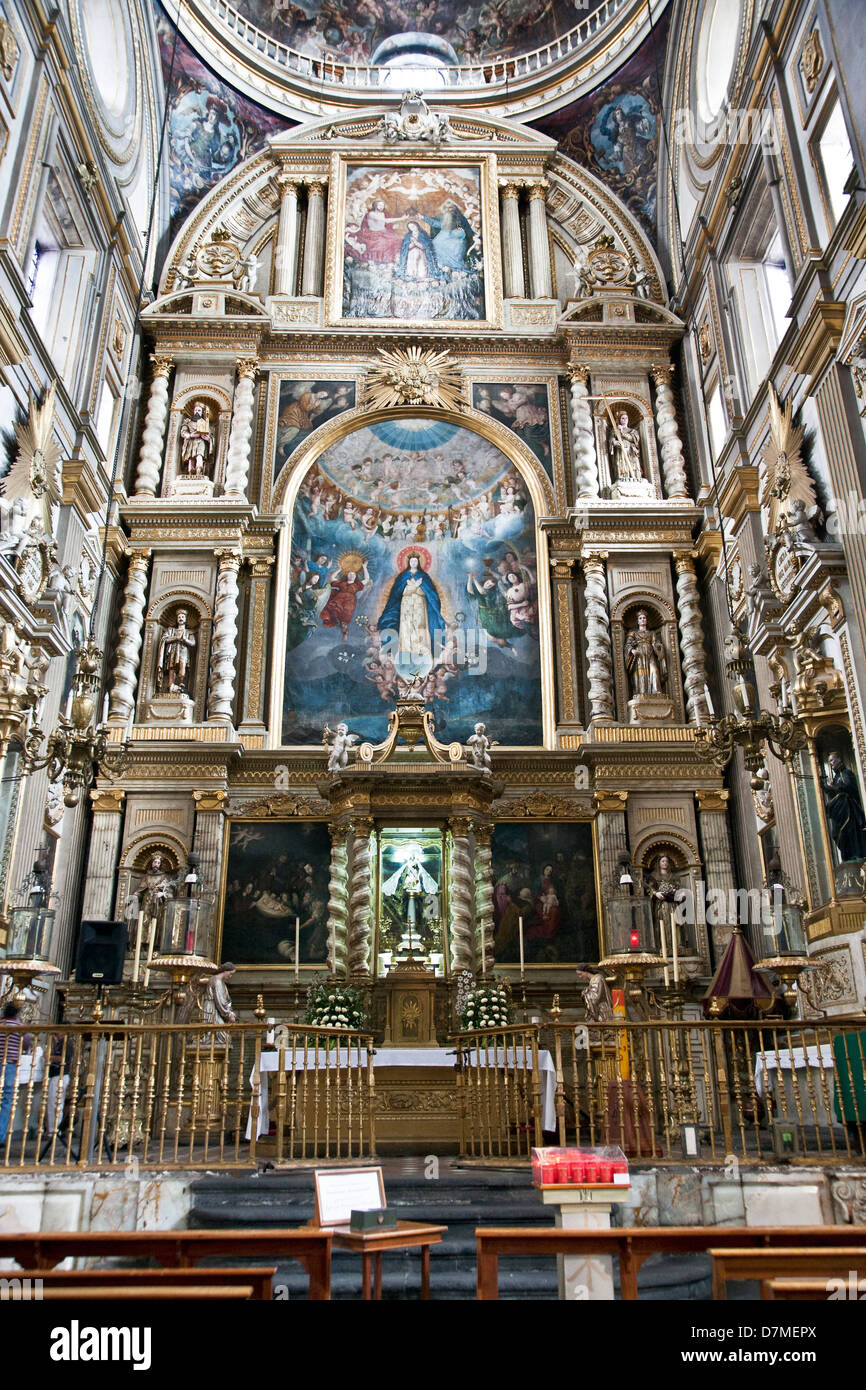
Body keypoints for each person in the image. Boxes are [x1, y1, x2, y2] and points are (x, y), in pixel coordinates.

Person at [378, 552, 444, 666]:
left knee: (420, 626)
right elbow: (396, 594)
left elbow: (431, 594)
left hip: (419, 604)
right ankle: (406, 653)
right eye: (412, 561)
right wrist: (412, 587)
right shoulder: (402, 577)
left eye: (415, 561)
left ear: (419, 563)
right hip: (406, 604)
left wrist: (417, 587)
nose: (414, 563)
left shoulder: (424, 577)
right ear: (408, 562)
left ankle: (422, 654)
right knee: (406, 626)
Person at [822, 751, 866, 862]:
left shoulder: (846, 773)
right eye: (829, 761)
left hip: (850, 811)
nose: (831, 763)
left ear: (839, 760)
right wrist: (825, 787)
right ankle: (848, 856)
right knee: (837, 834)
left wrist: (834, 787)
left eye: (832, 760)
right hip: (840, 813)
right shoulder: (836, 777)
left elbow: (849, 787)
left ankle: (856, 854)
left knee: (851, 832)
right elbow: (834, 794)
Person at [0, 1004, 32, 1146]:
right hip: (10, 1065)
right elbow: (27, 1043)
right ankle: (0, 1135)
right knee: (6, 1100)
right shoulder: (19, 1026)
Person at [320, 560, 369, 642]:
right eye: (350, 573)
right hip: (338, 600)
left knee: (345, 620)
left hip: (349, 603)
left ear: (355, 576)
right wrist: (339, 569)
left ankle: (344, 634)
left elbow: (367, 579)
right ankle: (334, 628)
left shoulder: (357, 585)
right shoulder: (341, 583)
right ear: (347, 575)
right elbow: (332, 578)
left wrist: (364, 567)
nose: (351, 575)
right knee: (333, 613)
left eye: (353, 574)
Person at [624, 609, 667, 697]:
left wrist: (658, 646)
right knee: (641, 674)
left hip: (650, 655)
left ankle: (656, 692)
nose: (642, 620)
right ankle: (641, 693)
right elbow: (627, 644)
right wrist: (632, 650)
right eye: (640, 618)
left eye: (644, 618)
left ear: (646, 620)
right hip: (639, 656)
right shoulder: (633, 633)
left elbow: (656, 643)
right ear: (638, 621)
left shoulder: (652, 633)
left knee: (654, 671)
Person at [157, 608, 196, 695]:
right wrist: (176, 638)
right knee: (172, 668)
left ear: (186, 619)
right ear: (176, 619)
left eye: (182, 617)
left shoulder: (189, 632)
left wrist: (185, 640)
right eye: (179, 617)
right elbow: (165, 639)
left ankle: (181, 684)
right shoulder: (171, 630)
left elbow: (193, 643)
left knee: (182, 667)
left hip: (183, 651)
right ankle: (171, 685)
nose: (181, 618)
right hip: (173, 651)